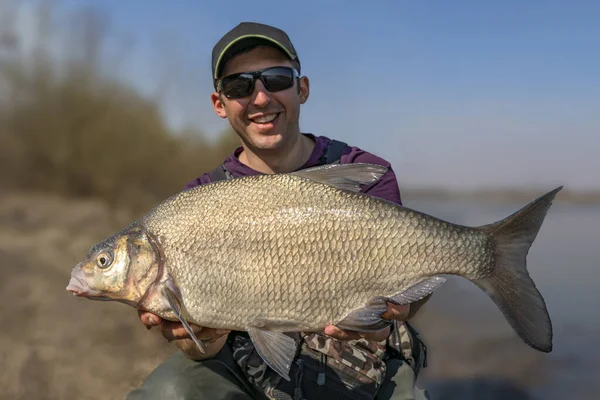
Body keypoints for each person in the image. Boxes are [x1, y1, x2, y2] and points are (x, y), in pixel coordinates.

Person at [126, 22, 432, 400]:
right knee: (166, 392)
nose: (260, 98)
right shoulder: (199, 200)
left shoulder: (366, 172)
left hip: (361, 363)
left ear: (301, 88)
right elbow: (202, 350)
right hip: (250, 363)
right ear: (219, 104)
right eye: (239, 86)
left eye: (276, 79)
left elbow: (412, 285)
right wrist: (199, 338)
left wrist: (389, 315)